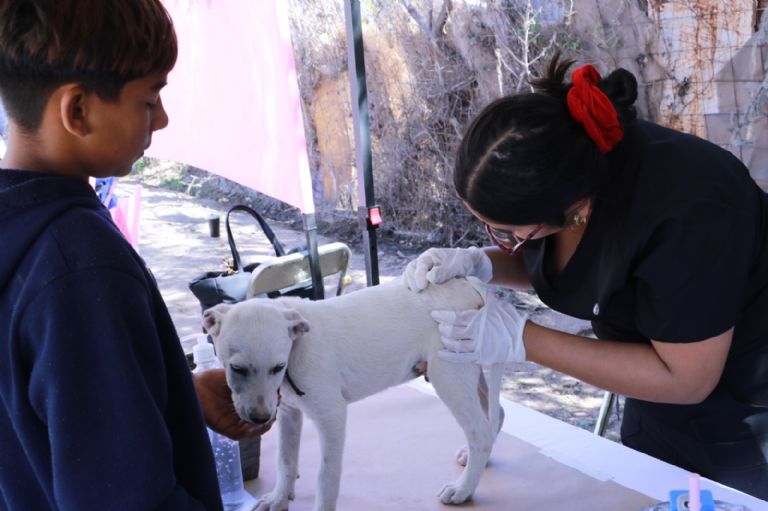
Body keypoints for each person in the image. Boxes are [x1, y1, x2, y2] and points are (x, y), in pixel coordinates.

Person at [404, 52, 768, 499]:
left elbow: (687, 378)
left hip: (744, 416)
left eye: (507, 232)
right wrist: (480, 263)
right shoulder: (567, 166)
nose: (503, 241)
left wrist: (522, 338)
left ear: (576, 209)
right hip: (652, 402)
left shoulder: (691, 212)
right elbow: (566, 263)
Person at [0, 1, 265, 509]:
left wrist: (174, 393)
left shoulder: (20, 231)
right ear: (77, 111)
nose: (162, 119)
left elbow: (43, 414)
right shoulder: (79, 264)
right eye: (149, 99)